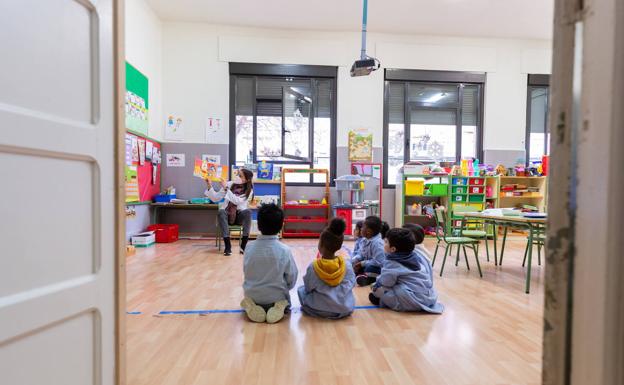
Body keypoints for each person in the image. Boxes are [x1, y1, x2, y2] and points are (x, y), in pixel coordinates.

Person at [240, 203, 298, 324]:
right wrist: (285, 288)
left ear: (259, 226)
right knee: (284, 299)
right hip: (276, 297)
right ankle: (279, 307)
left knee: (250, 297)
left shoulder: (249, 248)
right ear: (281, 226)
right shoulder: (284, 250)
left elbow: (246, 271)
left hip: (253, 295)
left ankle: (251, 305)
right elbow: (292, 277)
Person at [368, 228, 444, 314]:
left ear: (393, 249)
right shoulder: (415, 255)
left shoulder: (392, 262)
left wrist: (377, 284)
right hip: (429, 297)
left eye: (385, 242)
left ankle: (388, 302)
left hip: (413, 299)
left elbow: (386, 282)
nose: (383, 244)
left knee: (378, 289)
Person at [298, 218, 356, 319]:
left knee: (301, 290)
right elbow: (352, 284)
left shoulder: (314, 266)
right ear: (339, 246)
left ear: (321, 245)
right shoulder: (347, 265)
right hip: (344, 309)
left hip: (318, 308)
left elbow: (308, 288)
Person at [205, 168, 254, 256]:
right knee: (221, 211)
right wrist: (209, 185)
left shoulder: (249, 190)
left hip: (239, 216)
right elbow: (215, 198)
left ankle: (243, 245)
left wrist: (226, 188)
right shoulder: (229, 184)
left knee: (248, 212)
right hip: (227, 214)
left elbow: (237, 201)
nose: (237, 177)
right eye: (237, 174)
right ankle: (228, 246)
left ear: (247, 179)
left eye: (240, 176)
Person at [351, 216, 385, 286]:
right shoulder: (364, 240)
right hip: (367, 264)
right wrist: (355, 260)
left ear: (368, 232)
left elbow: (379, 262)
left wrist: (362, 263)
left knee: (370, 268)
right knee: (354, 264)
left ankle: (370, 279)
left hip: (377, 267)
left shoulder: (377, 243)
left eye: (362, 227)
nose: (361, 229)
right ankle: (361, 275)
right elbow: (361, 253)